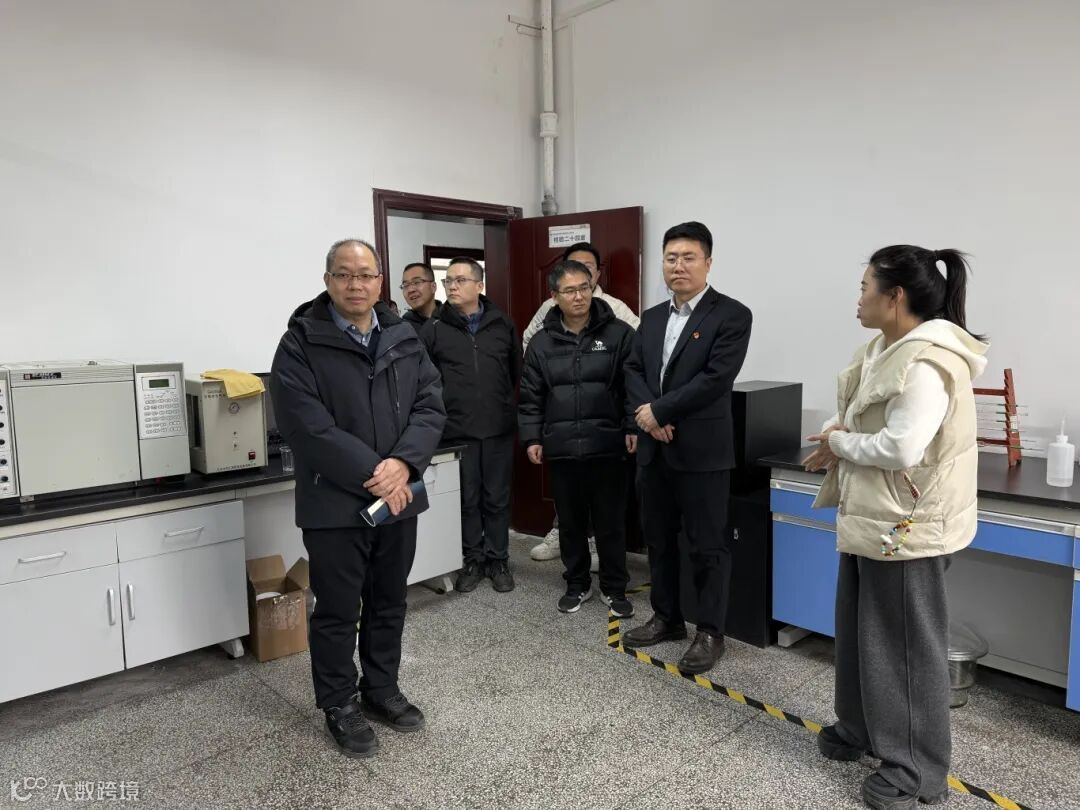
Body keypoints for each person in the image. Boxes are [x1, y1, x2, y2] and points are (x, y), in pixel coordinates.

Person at [803, 245, 988, 810]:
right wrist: (835, 436)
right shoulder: (882, 349)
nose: (858, 297)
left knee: (904, 649)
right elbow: (862, 414)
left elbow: (902, 446)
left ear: (895, 295)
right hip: (874, 515)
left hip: (908, 527)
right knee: (861, 630)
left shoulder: (926, 362)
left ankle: (916, 772)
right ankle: (859, 728)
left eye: (865, 286)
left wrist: (840, 443)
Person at [270, 238, 446, 759]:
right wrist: (378, 473)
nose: (356, 284)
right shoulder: (300, 343)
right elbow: (306, 426)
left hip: (397, 497)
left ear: (379, 281)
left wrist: (404, 464)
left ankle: (381, 688)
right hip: (334, 504)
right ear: (328, 280)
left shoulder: (403, 336)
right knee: (338, 610)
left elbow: (431, 405)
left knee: (390, 600)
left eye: (366, 275)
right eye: (344, 274)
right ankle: (339, 702)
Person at [622, 221, 752, 675]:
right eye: (671, 258)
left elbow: (715, 379)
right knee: (658, 539)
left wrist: (659, 412)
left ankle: (710, 631)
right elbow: (633, 369)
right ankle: (667, 617)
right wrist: (649, 417)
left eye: (688, 257)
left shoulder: (732, 315)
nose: (678, 266)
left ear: (708, 262)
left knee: (707, 545)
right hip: (654, 450)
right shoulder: (652, 317)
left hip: (701, 452)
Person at [518, 259, 636, 616]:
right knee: (570, 523)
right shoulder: (541, 343)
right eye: (569, 290)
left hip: (608, 445)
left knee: (610, 523)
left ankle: (614, 588)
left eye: (584, 288)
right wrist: (532, 438)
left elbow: (633, 386)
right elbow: (531, 395)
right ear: (555, 296)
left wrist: (633, 426)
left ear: (593, 288)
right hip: (562, 447)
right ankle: (577, 583)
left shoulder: (619, 334)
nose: (579, 296)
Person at [420, 257, 521, 593]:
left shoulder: (502, 324)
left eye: (460, 280)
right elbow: (425, 381)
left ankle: (498, 559)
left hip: (497, 428)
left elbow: (514, 372)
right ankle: (473, 559)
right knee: (467, 499)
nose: (452, 286)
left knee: (497, 499)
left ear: (479, 285)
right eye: (448, 280)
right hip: (456, 432)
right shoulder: (434, 329)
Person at [400, 262, 442, 329]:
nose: (410, 290)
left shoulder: (452, 319)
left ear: (433, 287)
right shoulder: (403, 327)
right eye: (406, 285)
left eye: (417, 282)